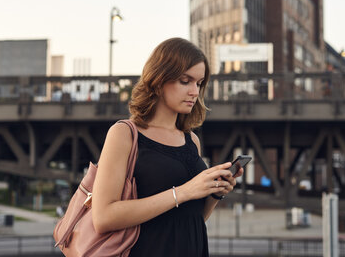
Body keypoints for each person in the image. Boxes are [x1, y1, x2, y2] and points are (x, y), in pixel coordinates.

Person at [91, 37, 243, 256]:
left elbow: (192, 218)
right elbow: (103, 217)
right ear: (159, 79)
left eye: (199, 83)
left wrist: (214, 192)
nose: (194, 92)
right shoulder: (124, 134)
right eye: (185, 81)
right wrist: (183, 191)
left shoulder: (191, 140)